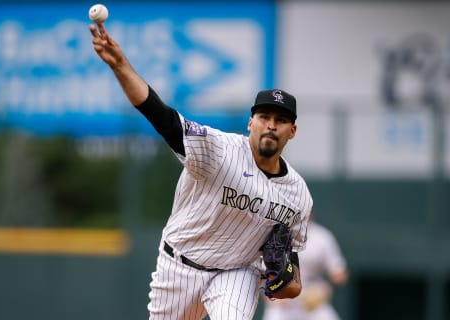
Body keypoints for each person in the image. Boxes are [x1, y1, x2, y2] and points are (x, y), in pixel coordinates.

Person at [89, 22, 313, 320]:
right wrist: (121, 67)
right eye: (265, 116)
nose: (272, 124)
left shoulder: (298, 194)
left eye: (281, 120)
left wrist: (289, 285)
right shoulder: (218, 150)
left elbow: (292, 267)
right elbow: (162, 116)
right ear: (251, 123)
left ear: (292, 130)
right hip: (179, 266)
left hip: (236, 273)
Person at [261, 211, 348, 320]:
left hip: (311, 298)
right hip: (283, 296)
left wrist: (326, 288)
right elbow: (263, 274)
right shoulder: (275, 236)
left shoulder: (322, 236)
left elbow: (339, 273)